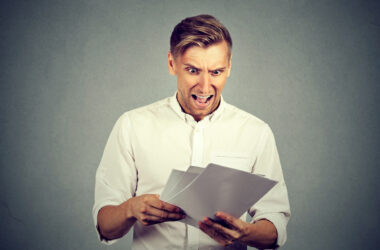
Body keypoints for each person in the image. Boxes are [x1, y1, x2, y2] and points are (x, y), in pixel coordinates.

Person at [93, 14, 290, 250]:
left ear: (229, 67)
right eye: (193, 70)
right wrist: (130, 208)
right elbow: (105, 225)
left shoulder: (256, 133)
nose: (205, 86)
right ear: (171, 64)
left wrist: (246, 233)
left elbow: (275, 223)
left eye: (216, 72)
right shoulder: (132, 125)